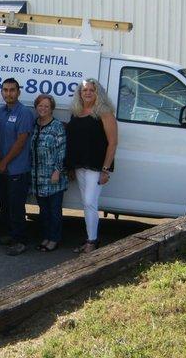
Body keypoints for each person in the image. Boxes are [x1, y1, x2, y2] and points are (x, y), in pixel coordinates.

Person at [65, 78, 118, 253]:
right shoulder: (76, 112)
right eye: (84, 90)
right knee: (87, 203)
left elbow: (113, 143)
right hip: (79, 165)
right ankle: (90, 239)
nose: (87, 93)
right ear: (80, 93)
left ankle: (92, 241)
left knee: (89, 202)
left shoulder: (105, 113)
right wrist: (70, 167)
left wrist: (105, 169)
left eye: (91, 90)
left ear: (98, 93)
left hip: (97, 166)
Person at [0, 78, 34, 256]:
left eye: (12, 90)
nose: (8, 93)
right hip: (3, 169)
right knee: (5, 204)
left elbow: (21, 141)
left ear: (18, 92)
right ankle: (10, 235)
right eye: (5, 90)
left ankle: (20, 240)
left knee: (17, 206)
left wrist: (4, 162)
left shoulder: (24, 113)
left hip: (17, 169)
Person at [30, 95, 68, 252]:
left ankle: (54, 239)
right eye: (40, 105)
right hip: (38, 177)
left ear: (52, 108)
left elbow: (62, 151)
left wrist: (57, 171)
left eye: (46, 106)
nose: (43, 108)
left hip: (53, 176)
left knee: (54, 211)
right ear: (36, 107)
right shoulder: (35, 124)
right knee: (43, 211)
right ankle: (46, 237)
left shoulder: (57, 126)